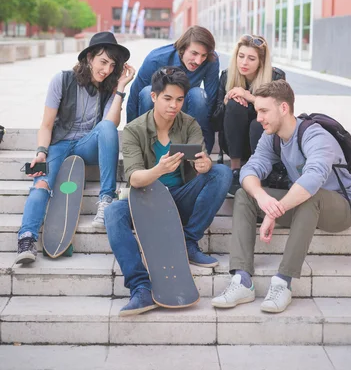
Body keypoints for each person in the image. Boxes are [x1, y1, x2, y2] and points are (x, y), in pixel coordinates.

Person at [212, 80, 351, 313]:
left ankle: (283, 282)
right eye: (257, 111)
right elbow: (249, 170)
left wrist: (276, 211)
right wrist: (262, 198)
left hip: (341, 207)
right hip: (303, 207)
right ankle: (242, 280)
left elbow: (313, 179)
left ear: (284, 108)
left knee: (309, 196)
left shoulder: (315, 135)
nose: (258, 118)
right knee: (245, 194)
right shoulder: (271, 137)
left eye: (264, 111)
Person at [105, 66, 232, 316]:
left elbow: (202, 160)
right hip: (147, 202)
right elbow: (134, 177)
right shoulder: (134, 130)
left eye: (179, 99)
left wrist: (203, 164)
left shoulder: (189, 124)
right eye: (167, 98)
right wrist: (158, 170)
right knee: (113, 213)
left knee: (221, 172)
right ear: (154, 97)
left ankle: (188, 240)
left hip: (180, 198)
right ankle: (140, 288)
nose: (174, 105)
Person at [15, 32, 135, 265]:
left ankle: (106, 200)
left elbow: (112, 124)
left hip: (86, 146)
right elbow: (47, 124)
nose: (107, 70)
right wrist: (41, 151)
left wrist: (120, 87)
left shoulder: (110, 87)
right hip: (59, 144)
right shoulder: (61, 80)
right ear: (89, 58)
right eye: (103, 62)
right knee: (40, 183)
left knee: (108, 128)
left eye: (112, 65)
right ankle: (26, 238)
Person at [126, 26, 219, 153]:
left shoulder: (211, 59)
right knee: (148, 93)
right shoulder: (155, 58)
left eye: (203, 55)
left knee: (198, 95)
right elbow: (135, 97)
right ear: (182, 48)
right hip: (158, 110)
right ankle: (149, 149)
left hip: (185, 109)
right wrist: (130, 141)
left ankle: (191, 151)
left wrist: (207, 145)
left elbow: (211, 100)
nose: (198, 61)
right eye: (194, 53)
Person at [211, 34, 285, 195]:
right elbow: (215, 123)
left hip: (264, 144)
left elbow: (281, 118)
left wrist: (249, 97)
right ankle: (235, 170)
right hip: (234, 144)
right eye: (241, 56)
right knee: (233, 104)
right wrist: (226, 102)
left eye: (251, 58)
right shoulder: (226, 76)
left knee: (258, 122)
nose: (244, 63)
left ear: (261, 62)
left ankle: (260, 170)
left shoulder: (276, 78)